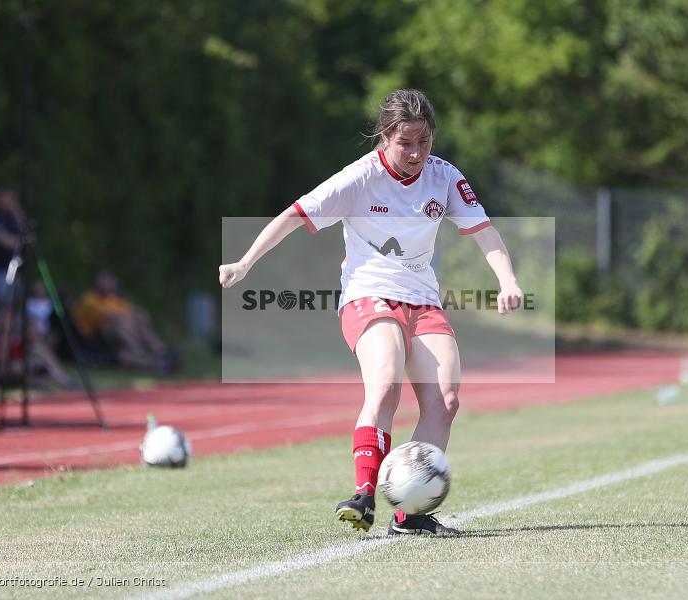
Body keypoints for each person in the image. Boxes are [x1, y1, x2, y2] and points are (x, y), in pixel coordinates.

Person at [219, 89, 523, 535]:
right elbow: (293, 214)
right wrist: (245, 261)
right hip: (368, 295)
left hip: (423, 301)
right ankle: (363, 495)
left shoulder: (445, 177)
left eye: (425, 141)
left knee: (446, 401)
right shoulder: (358, 179)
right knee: (384, 385)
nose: (417, 153)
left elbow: (484, 232)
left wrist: (508, 280)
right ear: (385, 137)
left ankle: (410, 514)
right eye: (406, 143)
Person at [73, 272, 174, 373]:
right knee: (118, 326)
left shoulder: (112, 299)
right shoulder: (89, 300)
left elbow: (131, 313)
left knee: (139, 317)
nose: (112, 285)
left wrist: (137, 320)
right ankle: (148, 356)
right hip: (93, 340)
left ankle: (160, 351)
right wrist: (130, 326)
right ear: (97, 284)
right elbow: (110, 318)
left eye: (112, 282)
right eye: (107, 282)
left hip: (120, 338)